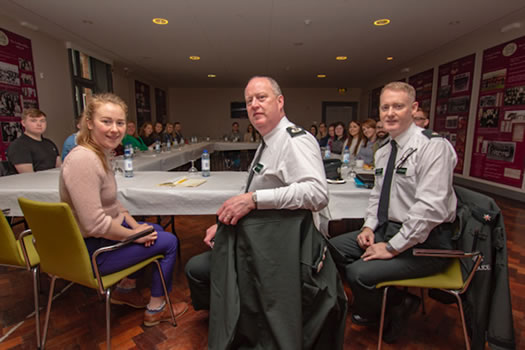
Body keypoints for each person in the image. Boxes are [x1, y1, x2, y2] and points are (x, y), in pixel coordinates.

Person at [185, 76, 331, 312]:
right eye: (249, 100)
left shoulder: (294, 141)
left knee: (196, 269)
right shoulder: (269, 141)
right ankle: (233, 316)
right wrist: (225, 226)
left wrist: (253, 201)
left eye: (261, 97)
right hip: (261, 236)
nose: (254, 105)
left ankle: (232, 319)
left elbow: (316, 193)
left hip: (282, 247)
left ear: (280, 101)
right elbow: (254, 190)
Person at [330, 82, 457, 343]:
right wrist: (368, 227)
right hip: (390, 229)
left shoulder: (434, 147)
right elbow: (378, 195)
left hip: (429, 241)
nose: (390, 113)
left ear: (413, 108)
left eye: (398, 106)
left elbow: (429, 210)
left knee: (358, 272)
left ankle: (389, 312)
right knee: (333, 249)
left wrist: (391, 248)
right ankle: (392, 298)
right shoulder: (386, 149)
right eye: (385, 107)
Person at [59, 93, 187, 326]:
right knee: (169, 242)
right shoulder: (83, 160)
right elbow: (94, 224)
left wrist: (137, 227)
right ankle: (156, 309)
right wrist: (134, 236)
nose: (115, 129)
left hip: (96, 241)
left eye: (119, 122)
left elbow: (112, 205)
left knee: (154, 228)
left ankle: (125, 290)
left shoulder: (98, 155)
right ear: (89, 123)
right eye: (106, 121)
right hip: (89, 251)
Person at [7, 108, 61, 174]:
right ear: (23, 123)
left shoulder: (49, 143)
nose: (39, 124)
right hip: (32, 183)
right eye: (33, 121)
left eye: (42, 121)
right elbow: (28, 176)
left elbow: (60, 168)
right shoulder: (18, 145)